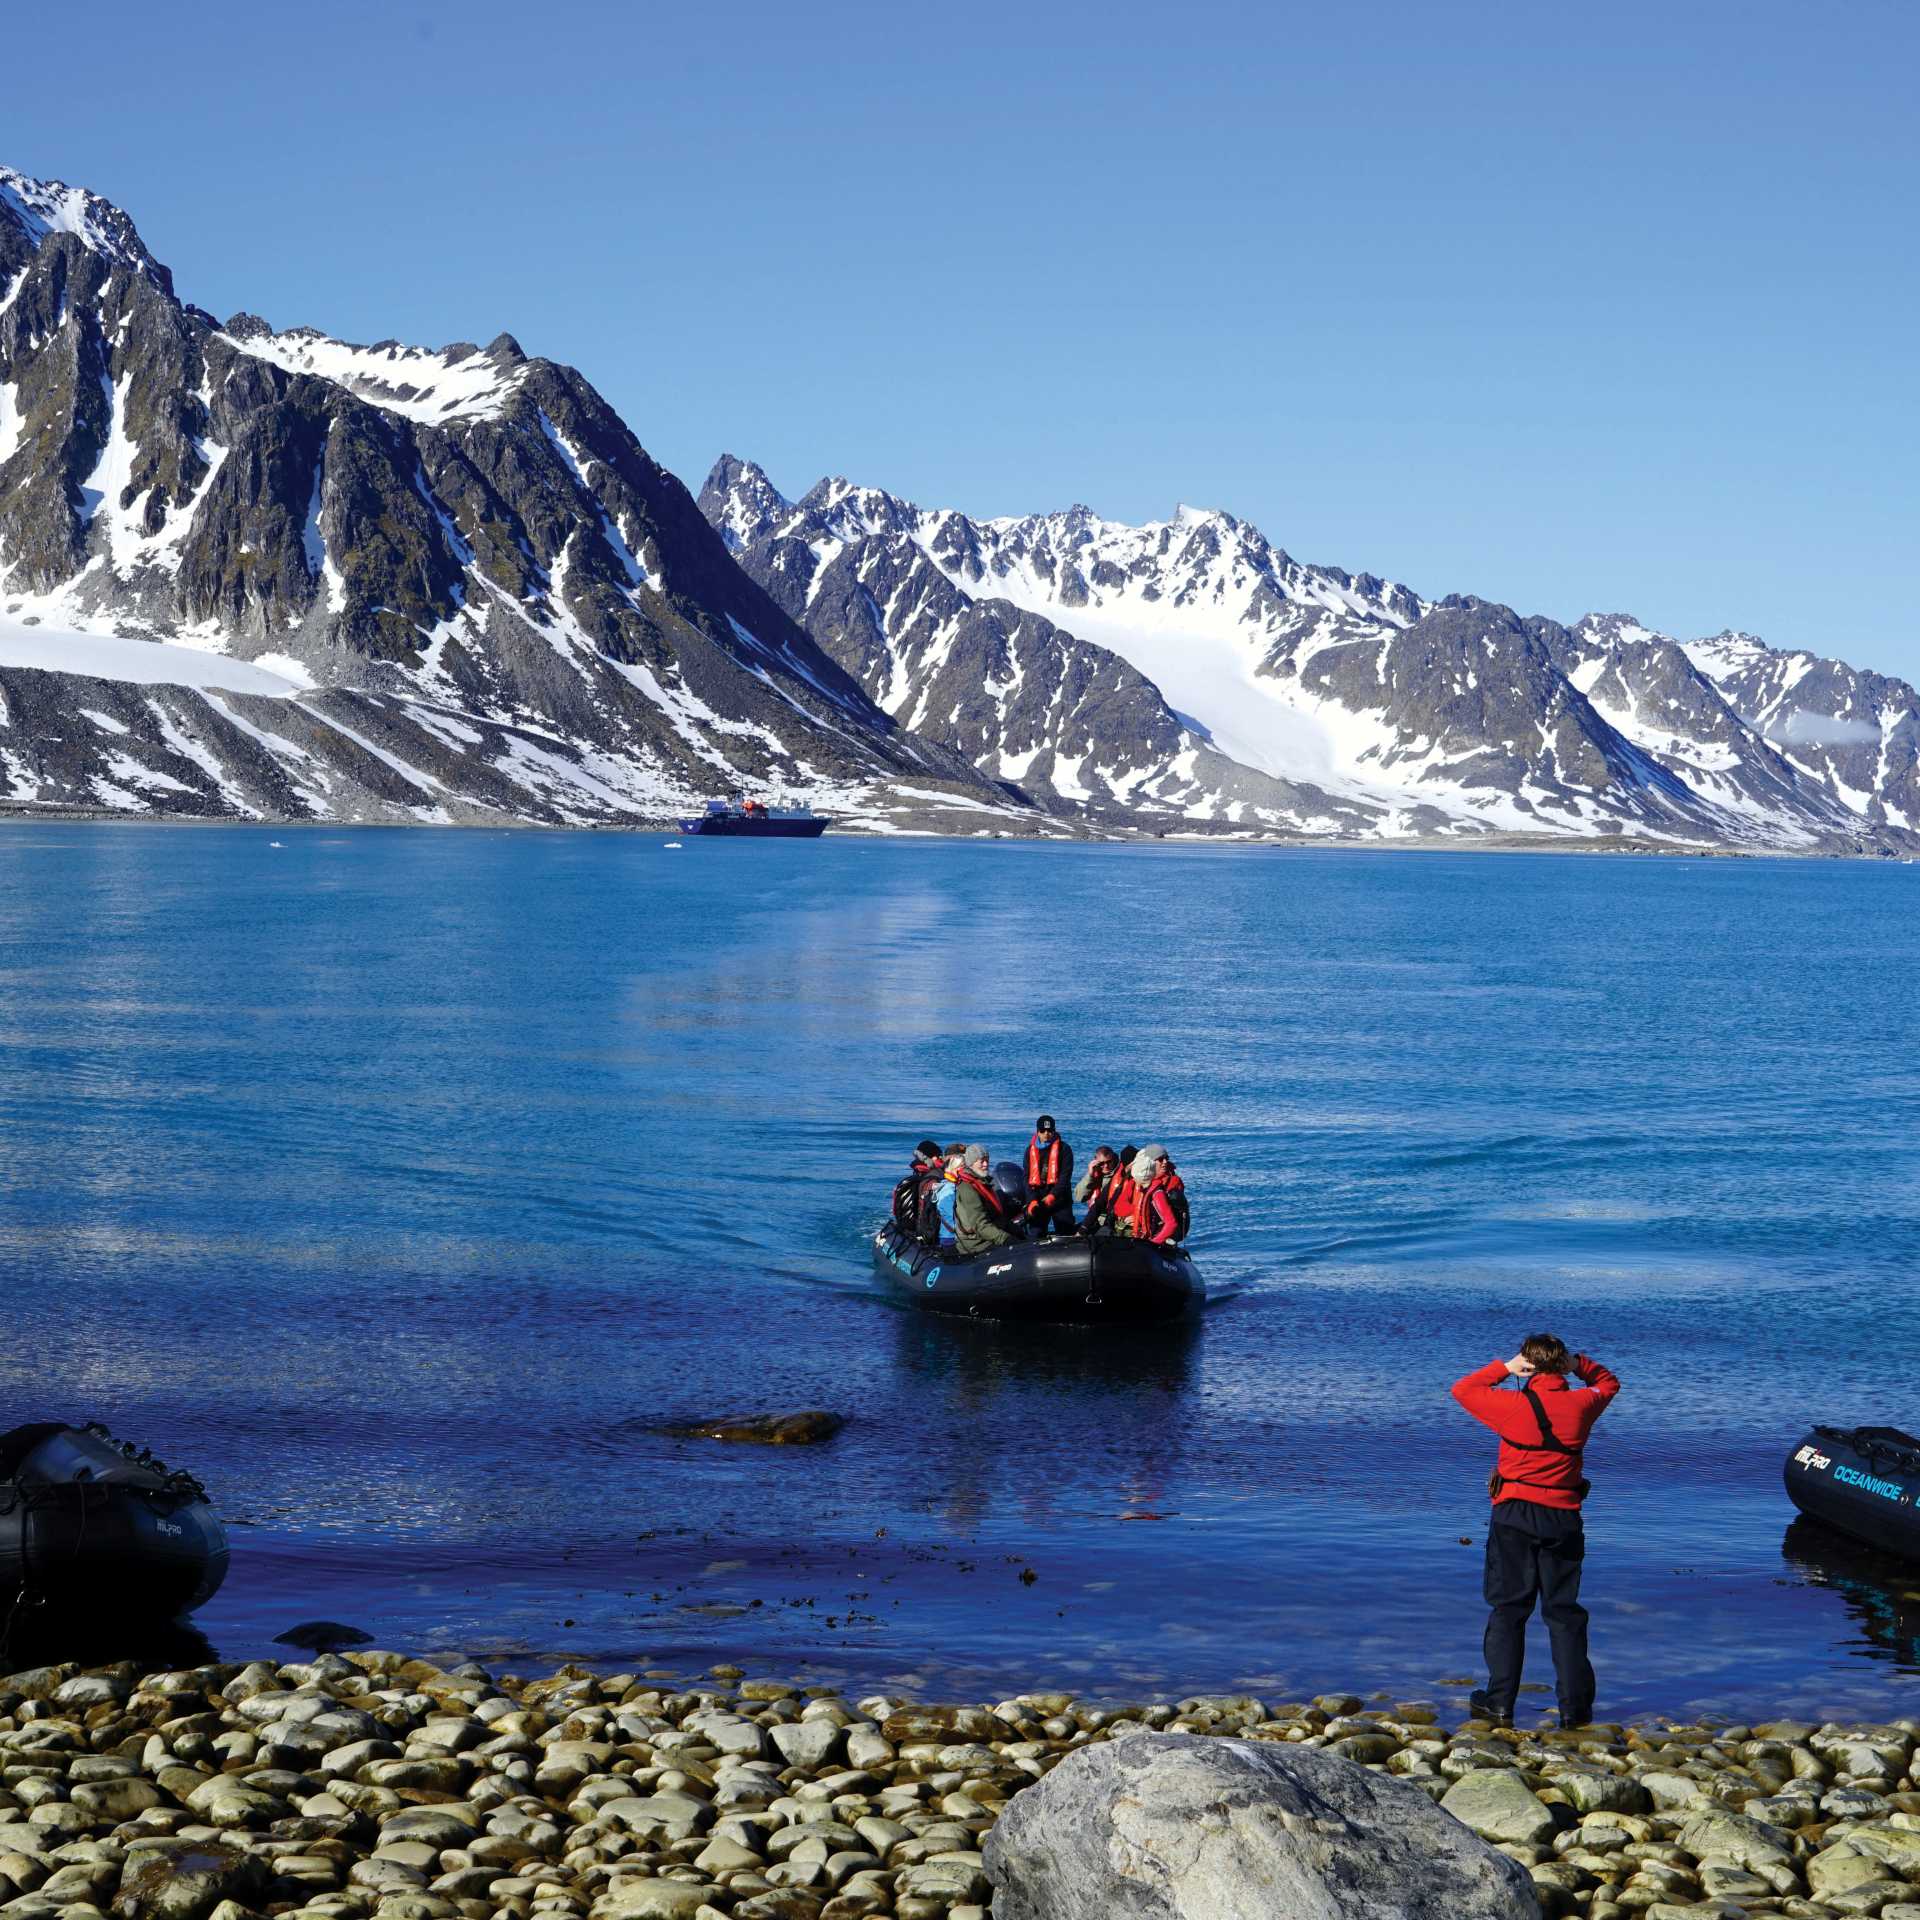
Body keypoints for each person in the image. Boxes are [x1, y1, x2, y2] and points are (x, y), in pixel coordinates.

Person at [1451, 1335, 1621, 1729]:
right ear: (1561, 1365)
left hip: (1513, 1515)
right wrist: (1579, 1364)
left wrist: (1505, 1369)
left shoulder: (1512, 1405)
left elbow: (1463, 1389)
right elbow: (1610, 1382)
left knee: (1509, 1610)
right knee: (1563, 1614)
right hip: (1563, 1516)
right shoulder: (1582, 1404)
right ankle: (1574, 1710)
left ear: (1529, 1365)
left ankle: (1499, 1703)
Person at [952, 1144, 1015, 1256]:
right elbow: (980, 1225)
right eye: (981, 1161)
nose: (986, 1164)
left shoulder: (982, 1182)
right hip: (976, 1243)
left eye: (987, 1160)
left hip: (987, 1236)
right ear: (971, 1163)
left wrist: (1014, 1229)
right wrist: (1005, 1239)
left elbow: (994, 1216)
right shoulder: (967, 1188)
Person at [1024, 1115, 1075, 1238]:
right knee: (1035, 1233)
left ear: (1054, 1131)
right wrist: (1032, 1201)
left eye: (1050, 1130)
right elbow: (1026, 1178)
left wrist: (1052, 1196)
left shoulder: (1065, 1149)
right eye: (1042, 1131)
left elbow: (1065, 1177)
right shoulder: (1029, 1151)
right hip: (1039, 1199)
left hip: (1059, 1198)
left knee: (1066, 1233)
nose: (1046, 1134)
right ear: (1037, 1132)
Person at [1133, 1145, 1189, 1245]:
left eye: (1166, 1158)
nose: (1165, 1162)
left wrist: (1152, 1244)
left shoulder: (1164, 1188)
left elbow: (1171, 1223)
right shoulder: (1143, 1183)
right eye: (1160, 1159)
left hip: (1162, 1237)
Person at [893, 1139, 944, 1238]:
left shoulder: (912, 1179)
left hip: (908, 1227)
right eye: (939, 1157)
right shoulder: (936, 1178)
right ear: (933, 1158)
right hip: (924, 1231)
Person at [1075, 1145, 1119, 1232]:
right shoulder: (1094, 1174)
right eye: (1102, 1163)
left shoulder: (1119, 1175)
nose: (1106, 1166)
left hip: (1111, 1219)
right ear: (1096, 1161)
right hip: (1094, 1218)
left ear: (1113, 1159)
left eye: (1109, 1162)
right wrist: (1090, 1175)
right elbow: (1079, 1197)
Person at [1103, 1144, 1142, 1236]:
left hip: (1140, 1227)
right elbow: (1117, 1205)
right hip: (1121, 1225)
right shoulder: (1122, 1181)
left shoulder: (1146, 1181)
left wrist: (1137, 1217)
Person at [933, 1143, 967, 1243]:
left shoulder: (955, 1186)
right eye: (963, 1167)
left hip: (955, 1236)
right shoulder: (948, 1190)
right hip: (951, 1238)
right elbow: (952, 1219)